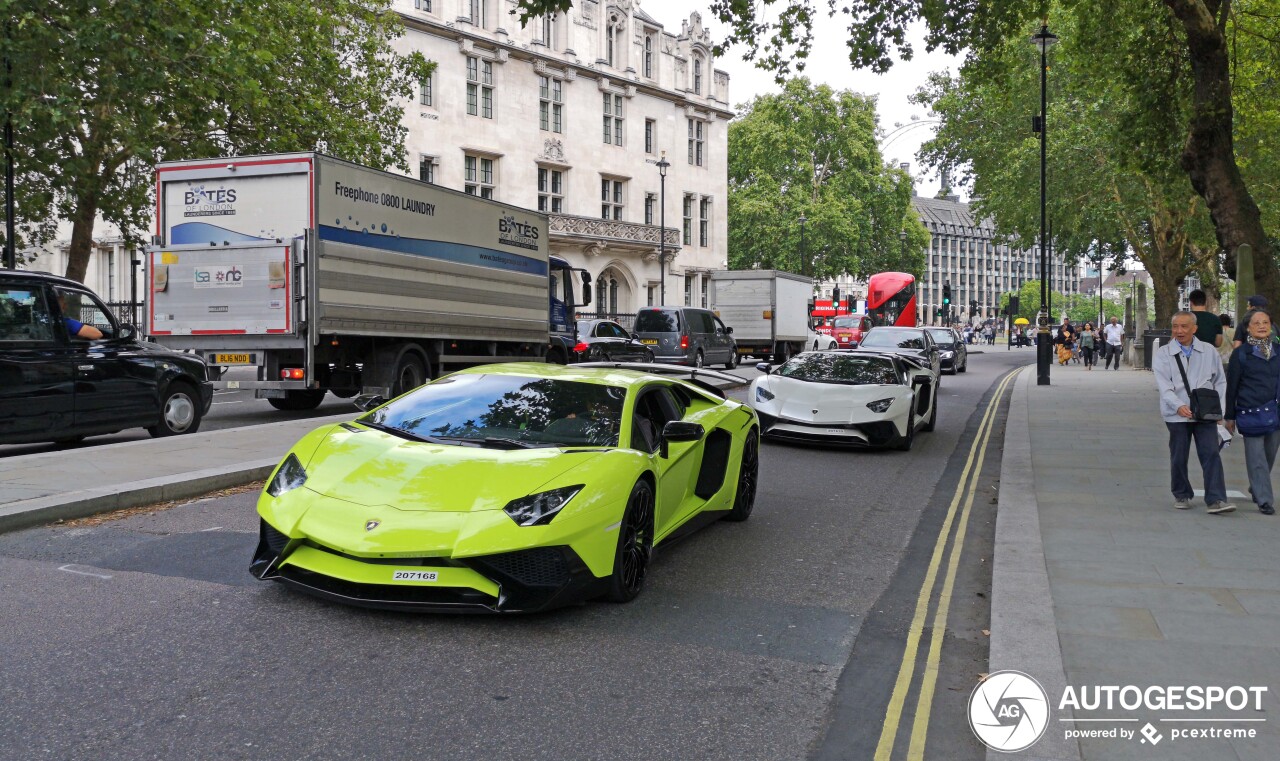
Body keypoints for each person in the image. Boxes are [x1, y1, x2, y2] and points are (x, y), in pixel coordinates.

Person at [1153, 311, 1235, 514]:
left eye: (1184, 326)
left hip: (1205, 413)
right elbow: (1164, 386)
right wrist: (1177, 405)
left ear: (1194, 329)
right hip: (1177, 414)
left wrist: (1219, 412)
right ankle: (1181, 494)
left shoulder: (1208, 351)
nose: (1179, 331)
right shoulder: (1163, 353)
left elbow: (1220, 381)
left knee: (1211, 453)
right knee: (1179, 455)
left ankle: (1216, 498)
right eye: (1175, 327)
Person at [1224, 309, 1280, 515]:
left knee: (1269, 454)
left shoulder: (1278, 350)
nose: (1262, 326)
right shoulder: (1241, 354)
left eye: (1266, 322)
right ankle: (1264, 499)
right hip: (1250, 412)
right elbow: (1232, 386)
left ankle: (1257, 485)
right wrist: (1229, 416)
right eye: (1256, 323)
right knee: (1256, 457)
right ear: (1248, 328)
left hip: (1275, 412)